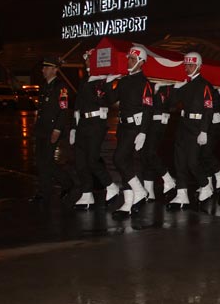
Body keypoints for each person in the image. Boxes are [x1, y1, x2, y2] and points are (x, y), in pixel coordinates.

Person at [108, 46, 154, 219]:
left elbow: (148, 109)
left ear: (141, 62)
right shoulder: (124, 81)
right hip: (122, 127)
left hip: (135, 128)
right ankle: (128, 202)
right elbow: (110, 99)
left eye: (133, 59)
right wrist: (107, 83)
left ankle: (140, 191)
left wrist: (143, 132)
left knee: (118, 159)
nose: (129, 61)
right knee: (125, 164)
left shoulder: (145, 83)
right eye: (129, 59)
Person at [71, 49, 120, 210]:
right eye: (85, 58)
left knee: (92, 160)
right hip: (83, 124)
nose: (86, 61)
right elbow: (78, 104)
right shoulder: (86, 80)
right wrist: (73, 127)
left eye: (89, 58)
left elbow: (110, 100)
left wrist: (107, 83)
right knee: (80, 161)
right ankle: (86, 193)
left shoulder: (100, 80)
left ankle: (111, 186)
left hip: (96, 124)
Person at [167, 51, 217, 208]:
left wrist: (204, 130)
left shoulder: (205, 85)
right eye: (186, 65)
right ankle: (182, 194)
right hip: (184, 125)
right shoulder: (185, 85)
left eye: (191, 65)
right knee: (179, 161)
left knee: (192, 162)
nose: (187, 68)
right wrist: (176, 88)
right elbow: (171, 104)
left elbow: (208, 110)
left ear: (199, 66)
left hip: (197, 127)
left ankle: (205, 184)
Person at [29, 55, 73, 202]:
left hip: (52, 129)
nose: (43, 70)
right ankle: (55, 187)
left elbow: (64, 110)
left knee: (46, 161)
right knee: (41, 161)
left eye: (47, 67)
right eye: (43, 67)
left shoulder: (60, 87)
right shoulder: (44, 86)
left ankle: (53, 188)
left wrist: (57, 130)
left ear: (55, 70)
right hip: (41, 129)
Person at [141, 81, 177, 202]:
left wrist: (156, 91)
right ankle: (149, 192)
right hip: (149, 120)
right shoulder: (150, 81)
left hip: (158, 122)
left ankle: (168, 179)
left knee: (150, 153)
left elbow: (172, 104)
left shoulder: (168, 85)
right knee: (146, 156)